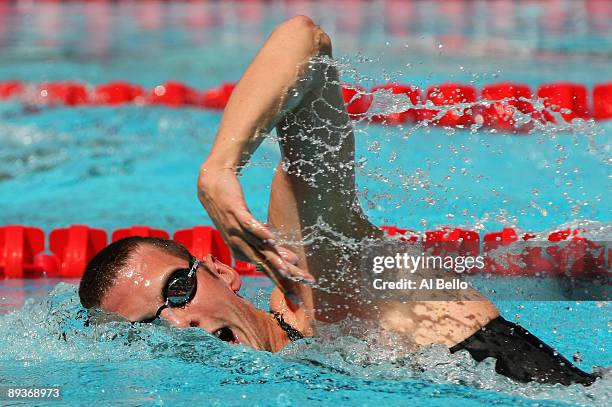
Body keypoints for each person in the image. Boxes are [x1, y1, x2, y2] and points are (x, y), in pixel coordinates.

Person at [78, 16, 598, 386]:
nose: (178, 323)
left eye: (177, 290)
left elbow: (303, 42)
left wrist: (220, 168)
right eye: (148, 326)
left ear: (222, 271)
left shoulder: (323, 281)